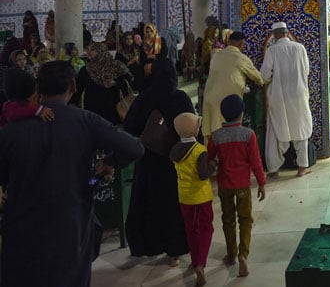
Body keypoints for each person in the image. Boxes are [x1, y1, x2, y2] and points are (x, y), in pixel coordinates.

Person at [0, 60, 143, 287]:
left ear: (38, 87)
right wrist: (109, 162)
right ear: (74, 87)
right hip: (71, 227)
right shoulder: (85, 121)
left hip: (22, 229)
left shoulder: (11, 130)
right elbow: (134, 148)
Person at [123, 57, 195, 264]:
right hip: (174, 161)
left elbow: (130, 127)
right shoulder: (179, 98)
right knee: (171, 204)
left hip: (148, 162)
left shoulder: (144, 98)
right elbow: (190, 127)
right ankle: (174, 251)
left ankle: (147, 245)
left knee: (148, 202)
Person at [208, 94, 267, 277]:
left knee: (228, 219)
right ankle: (243, 254)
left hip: (225, 184)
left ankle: (231, 253)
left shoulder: (216, 136)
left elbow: (210, 159)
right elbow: (256, 162)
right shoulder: (248, 134)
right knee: (245, 219)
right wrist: (262, 183)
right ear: (242, 114)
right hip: (243, 185)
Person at [260, 21, 313, 177]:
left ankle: (274, 170)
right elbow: (307, 70)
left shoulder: (272, 50)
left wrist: (271, 80)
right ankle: (302, 168)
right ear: (287, 33)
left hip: (279, 98)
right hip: (298, 96)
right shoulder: (300, 48)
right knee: (301, 130)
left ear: (275, 36)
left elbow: (264, 75)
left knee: (276, 134)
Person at [170, 112, 215, 286]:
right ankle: (201, 263)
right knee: (206, 229)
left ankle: (195, 259)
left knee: (191, 229)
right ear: (196, 131)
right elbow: (203, 174)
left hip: (184, 197)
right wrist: (213, 164)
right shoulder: (200, 150)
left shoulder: (174, 150)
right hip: (202, 197)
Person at [202, 31, 265, 137]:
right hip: (226, 103)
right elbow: (259, 79)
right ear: (241, 44)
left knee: (211, 134)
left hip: (209, 99)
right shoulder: (240, 58)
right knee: (226, 135)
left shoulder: (217, 55)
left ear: (229, 42)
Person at [70, 41, 134, 126]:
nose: (89, 52)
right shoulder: (86, 70)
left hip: (113, 110)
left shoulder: (116, 66)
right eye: (88, 49)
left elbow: (129, 82)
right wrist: (71, 104)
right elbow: (78, 90)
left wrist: (115, 83)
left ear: (101, 51)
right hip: (92, 111)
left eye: (93, 50)